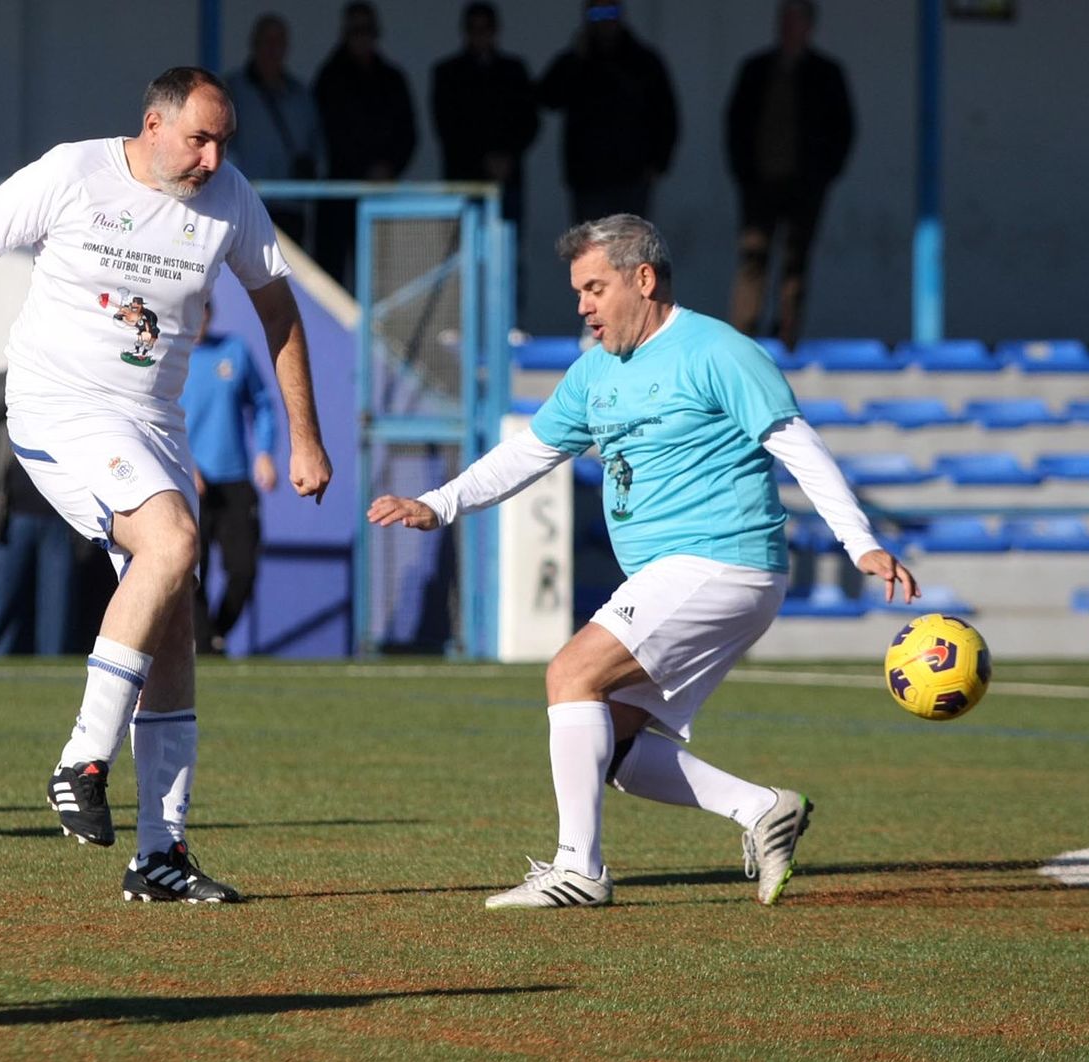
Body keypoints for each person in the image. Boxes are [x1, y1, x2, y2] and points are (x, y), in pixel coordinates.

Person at [0, 67, 333, 904]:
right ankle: (82, 757)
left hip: (153, 425)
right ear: (153, 125)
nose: (214, 157)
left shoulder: (231, 197)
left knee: (171, 620)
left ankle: (160, 854)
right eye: (200, 138)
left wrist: (304, 436)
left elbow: (278, 308)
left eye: (224, 141)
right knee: (171, 542)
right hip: (61, 408)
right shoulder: (72, 172)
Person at [368, 214, 916, 909]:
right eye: (579, 292)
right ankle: (762, 808)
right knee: (613, 745)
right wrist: (440, 503)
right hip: (682, 573)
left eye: (595, 287)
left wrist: (857, 539)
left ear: (644, 278)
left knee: (570, 672)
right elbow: (531, 452)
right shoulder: (595, 370)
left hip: (724, 559)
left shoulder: (717, 349)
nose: (583, 305)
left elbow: (794, 442)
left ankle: (580, 869)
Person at [724, 0, 855, 348]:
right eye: (783, 21)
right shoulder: (755, 69)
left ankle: (787, 334)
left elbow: (843, 129)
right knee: (753, 258)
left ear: (809, 27)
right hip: (758, 183)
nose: (787, 28)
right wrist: (743, 172)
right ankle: (743, 337)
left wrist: (824, 174)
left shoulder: (826, 73)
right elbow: (735, 124)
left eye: (794, 22)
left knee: (795, 262)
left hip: (806, 185)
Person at [0, 369, 80, 656]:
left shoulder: (76, 379)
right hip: (10, 519)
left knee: (57, 611)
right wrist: (21, 377)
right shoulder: (10, 379)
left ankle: (53, 679)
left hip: (63, 519)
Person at [179, 302, 277, 656]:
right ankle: (204, 645)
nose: (198, 320)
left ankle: (215, 634)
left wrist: (265, 452)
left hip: (234, 480)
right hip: (188, 482)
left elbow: (263, 402)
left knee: (244, 569)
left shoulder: (233, 351)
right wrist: (184, 463)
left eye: (203, 312)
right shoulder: (166, 358)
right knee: (190, 572)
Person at [538, 1, 677, 224]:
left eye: (610, 12)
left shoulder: (643, 61)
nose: (604, 20)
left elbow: (666, 114)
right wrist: (575, 59)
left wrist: (659, 162)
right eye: (596, 13)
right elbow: (548, 98)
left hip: (633, 175)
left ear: (621, 15)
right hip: (588, 177)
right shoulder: (577, 59)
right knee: (591, 249)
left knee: (629, 249)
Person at [312, 1, 417, 288]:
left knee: (377, 277)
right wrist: (363, 170)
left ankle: (372, 334)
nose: (362, 35)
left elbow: (408, 134)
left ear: (376, 33)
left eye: (367, 29)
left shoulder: (392, 78)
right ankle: (329, 336)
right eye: (356, 29)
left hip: (381, 195)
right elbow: (329, 134)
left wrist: (389, 167)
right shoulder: (329, 78)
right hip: (339, 192)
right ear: (345, 33)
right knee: (331, 278)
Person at [430, 2, 540, 231]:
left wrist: (508, 156)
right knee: (462, 254)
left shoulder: (514, 71)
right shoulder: (448, 74)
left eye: (485, 28)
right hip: (464, 179)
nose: (480, 35)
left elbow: (529, 121)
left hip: (507, 181)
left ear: (495, 30)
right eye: (474, 28)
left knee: (507, 251)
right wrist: (484, 160)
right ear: (465, 31)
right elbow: (447, 126)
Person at [225, 12, 323, 246]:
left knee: (287, 277)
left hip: (291, 206)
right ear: (254, 44)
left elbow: (317, 146)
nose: (273, 48)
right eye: (267, 41)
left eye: (279, 42)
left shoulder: (301, 95)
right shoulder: (232, 90)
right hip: (246, 204)